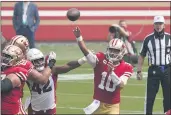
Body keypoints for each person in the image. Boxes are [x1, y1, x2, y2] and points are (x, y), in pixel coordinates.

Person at [73, 27, 133, 114]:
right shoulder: (101, 58)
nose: (112, 53)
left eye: (116, 51)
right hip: (97, 104)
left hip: (112, 106)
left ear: (122, 52)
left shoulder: (127, 67)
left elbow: (121, 84)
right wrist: (79, 38)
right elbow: (86, 53)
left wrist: (111, 73)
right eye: (111, 50)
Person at [24, 48, 86, 114]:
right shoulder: (29, 73)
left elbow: (68, 66)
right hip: (35, 109)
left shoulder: (50, 70)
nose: (39, 63)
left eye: (41, 60)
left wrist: (83, 60)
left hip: (49, 109)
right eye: (36, 61)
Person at [137, 15, 171, 114]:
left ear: (164, 25)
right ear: (153, 25)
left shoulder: (169, 38)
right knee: (150, 97)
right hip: (154, 70)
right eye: (156, 23)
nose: (158, 26)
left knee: (168, 97)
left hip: (167, 70)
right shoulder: (148, 39)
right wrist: (139, 71)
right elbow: (142, 55)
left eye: (160, 23)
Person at [1, 45, 30, 114]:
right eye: (4, 55)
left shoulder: (17, 71)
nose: (4, 58)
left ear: (16, 59)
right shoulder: (3, 69)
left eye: (8, 56)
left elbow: (3, 86)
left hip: (13, 112)